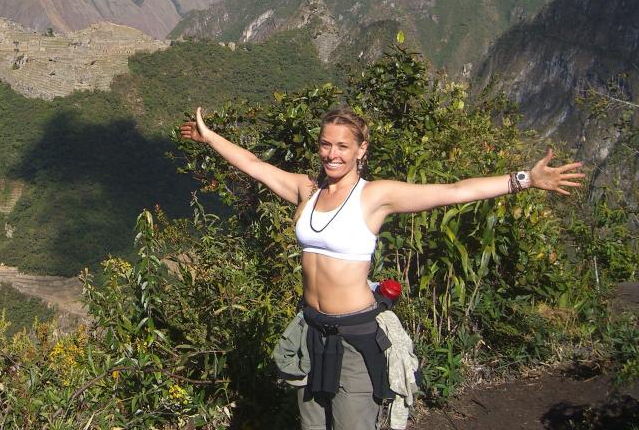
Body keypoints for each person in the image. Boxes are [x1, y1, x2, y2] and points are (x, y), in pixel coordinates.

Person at [179, 105, 583, 430]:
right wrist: (209, 136)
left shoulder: (374, 197)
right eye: (325, 145)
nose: (332, 154)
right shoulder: (307, 190)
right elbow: (252, 164)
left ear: (361, 150)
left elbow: (453, 191)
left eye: (342, 146)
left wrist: (525, 179)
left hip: (356, 336)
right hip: (311, 332)